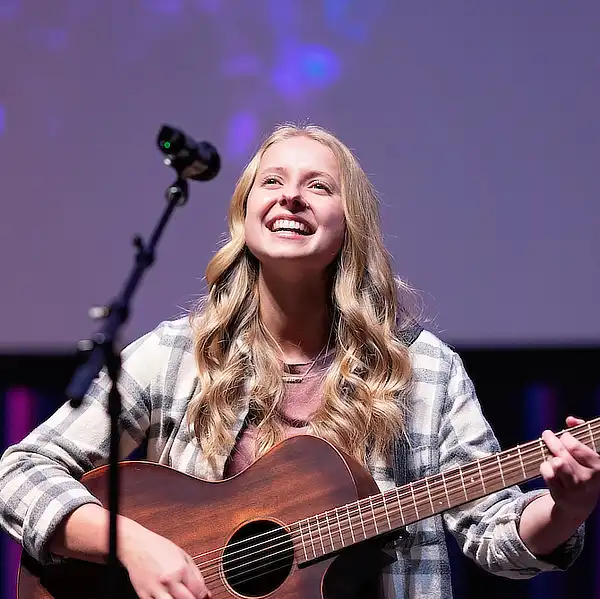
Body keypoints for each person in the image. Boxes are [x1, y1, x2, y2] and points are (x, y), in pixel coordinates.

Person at [1, 123, 599, 599]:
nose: (291, 195)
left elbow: (492, 533)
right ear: (245, 214)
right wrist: (132, 543)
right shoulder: (178, 354)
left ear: (350, 225)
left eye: (318, 185)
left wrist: (566, 507)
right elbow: (19, 472)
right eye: (272, 181)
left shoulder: (423, 369)